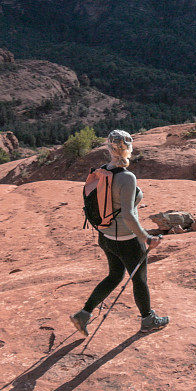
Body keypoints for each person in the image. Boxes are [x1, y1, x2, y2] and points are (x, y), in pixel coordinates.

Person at [70, 130, 169, 335]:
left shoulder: (104, 171)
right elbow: (128, 214)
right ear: (129, 149)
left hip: (106, 237)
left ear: (109, 148)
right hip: (127, 240)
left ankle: (83, 314)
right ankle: (148, 319)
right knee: (139, 280)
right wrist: (147, 238)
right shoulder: (127, 177)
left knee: (115, 276)